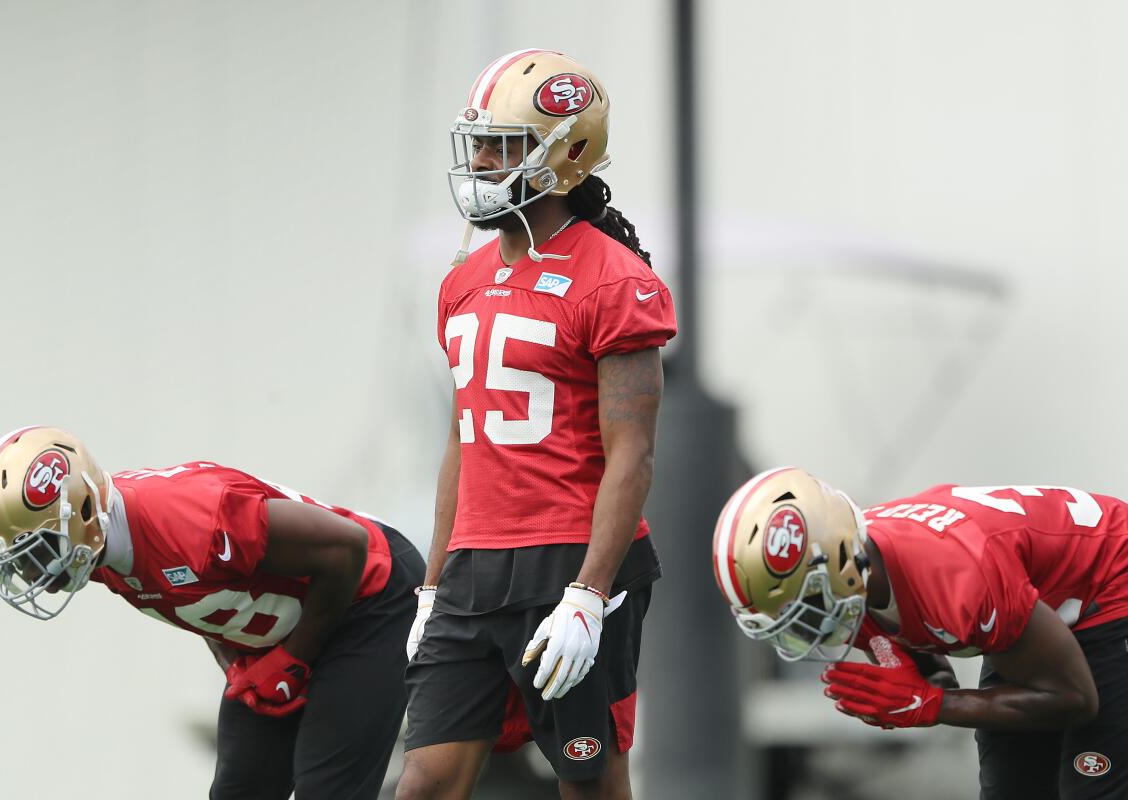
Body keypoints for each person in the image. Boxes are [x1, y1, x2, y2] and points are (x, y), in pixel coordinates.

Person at [396, 49, 677, 800]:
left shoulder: (616, 278)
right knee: (424, 781)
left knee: (587, 780)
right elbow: (465, 441)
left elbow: (634, 456)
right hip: (473, 568)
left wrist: (589, 593)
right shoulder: (461, 282)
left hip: (568, 558)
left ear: (567, 155)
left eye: (507, 144)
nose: (484, 160)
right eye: (480, 141)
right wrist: (431, 586)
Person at [0, 425, 425, 800]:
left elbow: (347, 547)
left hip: (371, 599)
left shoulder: (191, 519)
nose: (32, 572)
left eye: (36, 551)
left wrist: (293, 660)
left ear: (81, 509)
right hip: (294, 627)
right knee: (240, 791)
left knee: (326, 790)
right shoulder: (102, 549)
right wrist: (237, 661)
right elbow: (196, 593)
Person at [713, 466, 1128, 799]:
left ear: (838, 559)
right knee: (1010, 786)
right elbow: (933, 675)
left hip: (1108, 582)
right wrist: (916, 696)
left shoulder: (956, 576)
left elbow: (1073, 699)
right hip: (1025, 611)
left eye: (803, 605)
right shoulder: (856, 573)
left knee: (1091, 781)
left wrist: (930, 705)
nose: (806, 626)